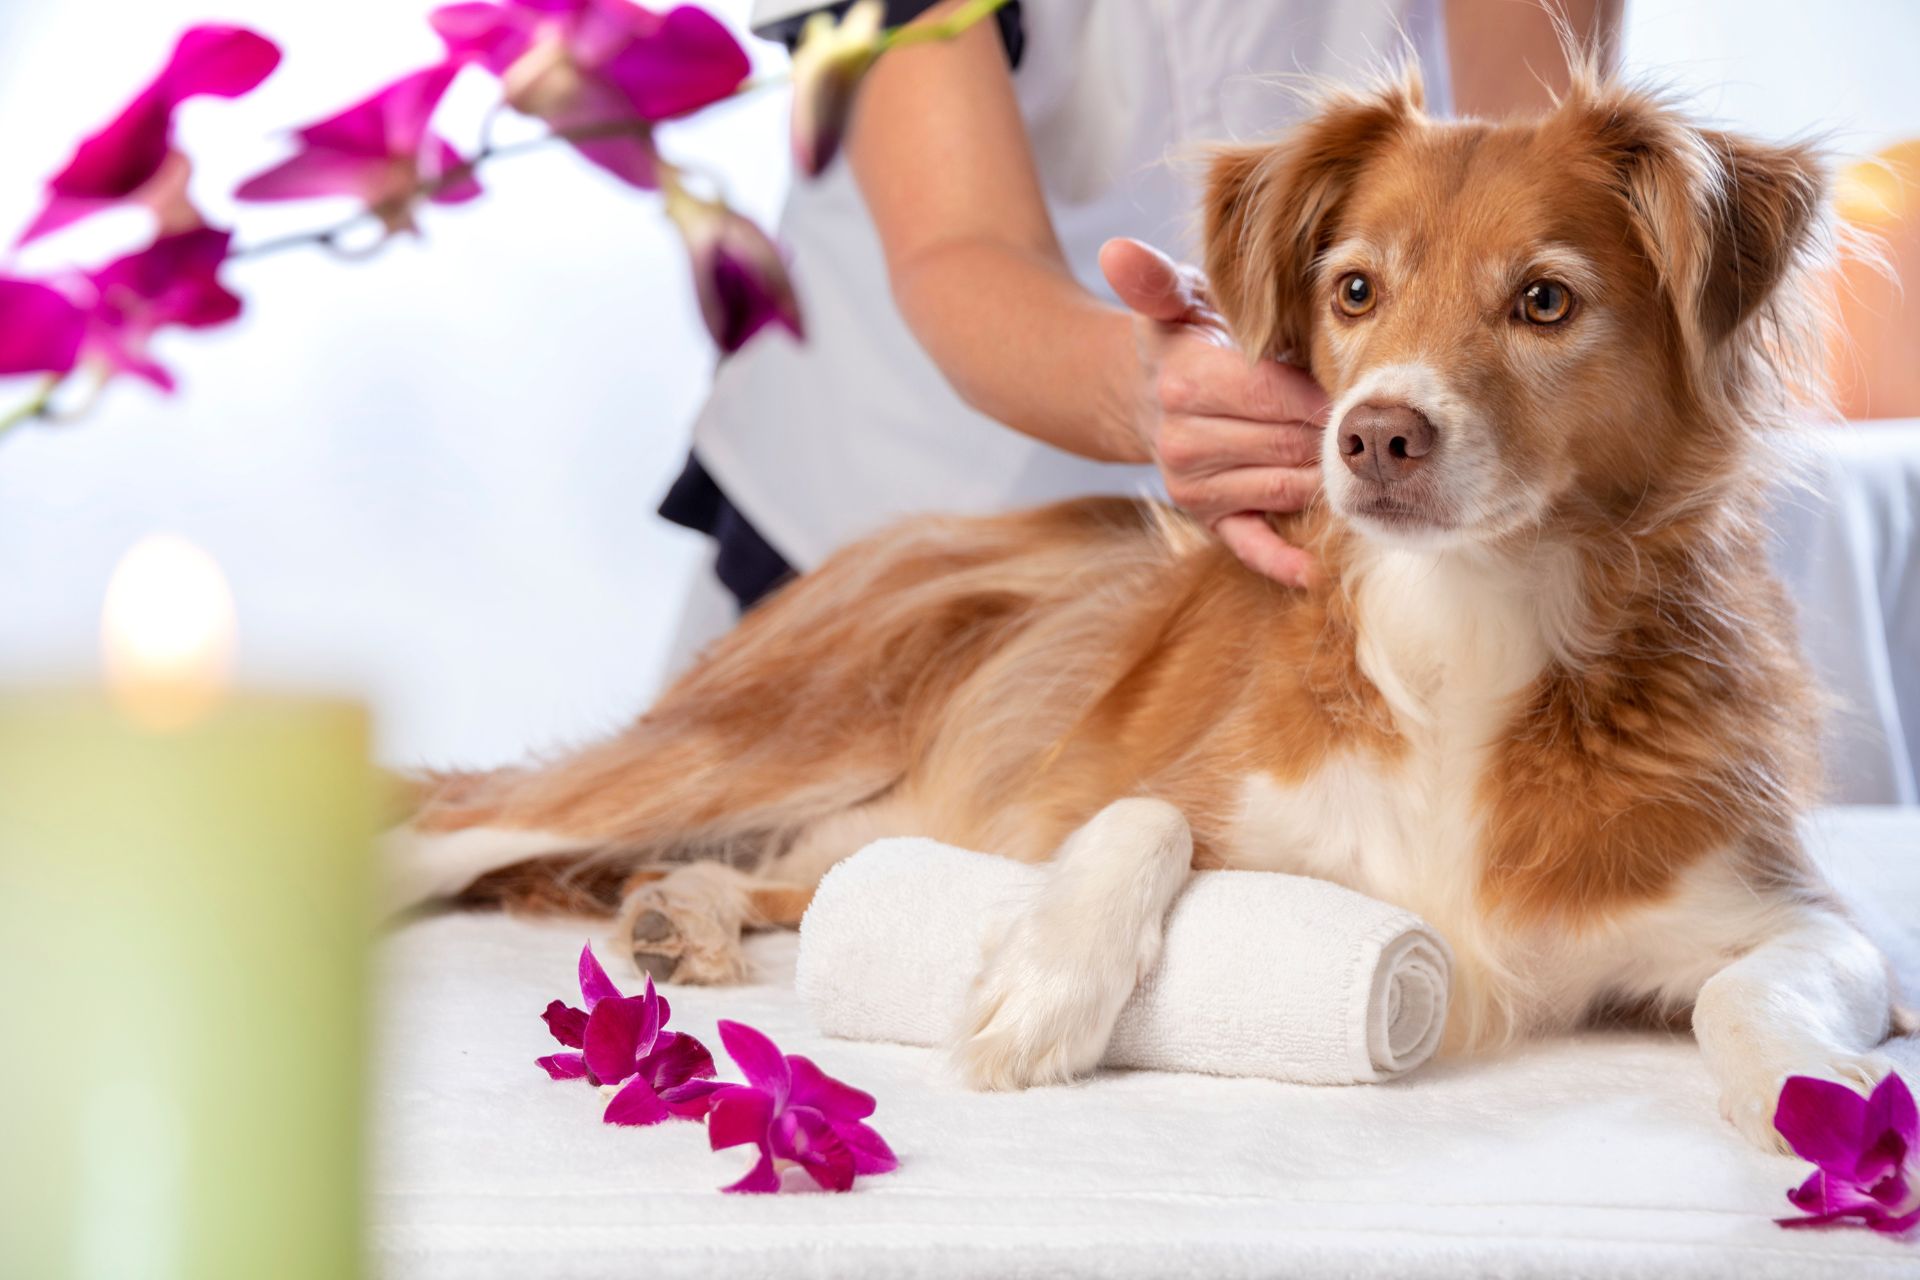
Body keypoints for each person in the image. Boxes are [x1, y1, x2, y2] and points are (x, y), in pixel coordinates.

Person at [661, 0, 1622, 647]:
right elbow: (957, 242)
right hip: (892, 525)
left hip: (1330, 558)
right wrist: (1144, 390)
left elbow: (1534, 172)